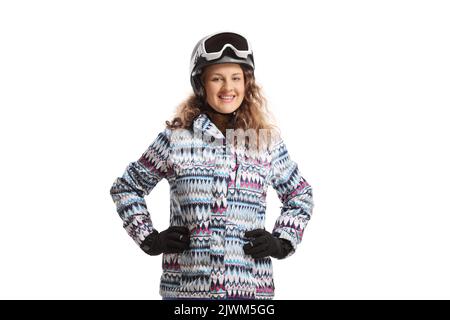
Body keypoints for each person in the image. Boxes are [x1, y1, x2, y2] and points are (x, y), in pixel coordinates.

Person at [110, 31, 314, 300]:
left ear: (247, 83)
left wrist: (281, 241)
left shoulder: (265, 142)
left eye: (236, 78)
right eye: (217, 78)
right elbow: (127, 187)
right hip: (187, 295)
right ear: (201, 84)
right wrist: (149, 238)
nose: (228, 88)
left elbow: (300, 194)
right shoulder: (175, 139)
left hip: (249, 295)